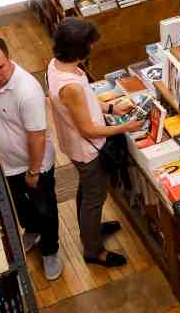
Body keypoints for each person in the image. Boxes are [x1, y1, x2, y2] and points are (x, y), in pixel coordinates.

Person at [46, 19, 143, 268]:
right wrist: (125, 126)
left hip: (74, 144)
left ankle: (89, 229)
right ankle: (93, 250)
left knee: (87, 191)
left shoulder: (56, 66)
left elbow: (85, 103)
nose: (93, 47)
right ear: (79, 48)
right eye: (90, 44)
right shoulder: (71, 87)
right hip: (87, 149)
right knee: (94, 197)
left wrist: (110, 106)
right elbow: (87, 128)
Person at [0, 37, 62, 281]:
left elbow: (37, 137)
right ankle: (31, 230)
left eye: (1, 67)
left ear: (8, 57)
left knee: (45, 209)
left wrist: (33, 171)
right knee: (21, 205)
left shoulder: (28, 90)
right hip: (5, 163)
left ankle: (50, 250)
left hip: (34, 164)